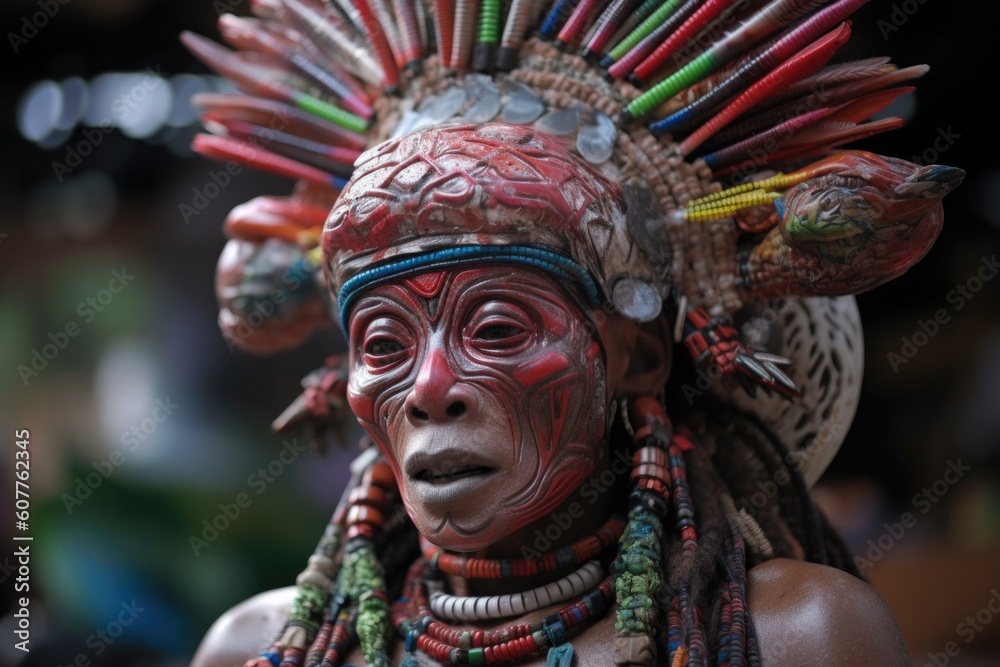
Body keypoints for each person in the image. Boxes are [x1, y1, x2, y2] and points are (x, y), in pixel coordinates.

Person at [182, 4, 963, 665]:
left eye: (494, 328)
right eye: (383, 345)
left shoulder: (801, 637)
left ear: (639, 353)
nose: (428, 391)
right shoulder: (253, 644)